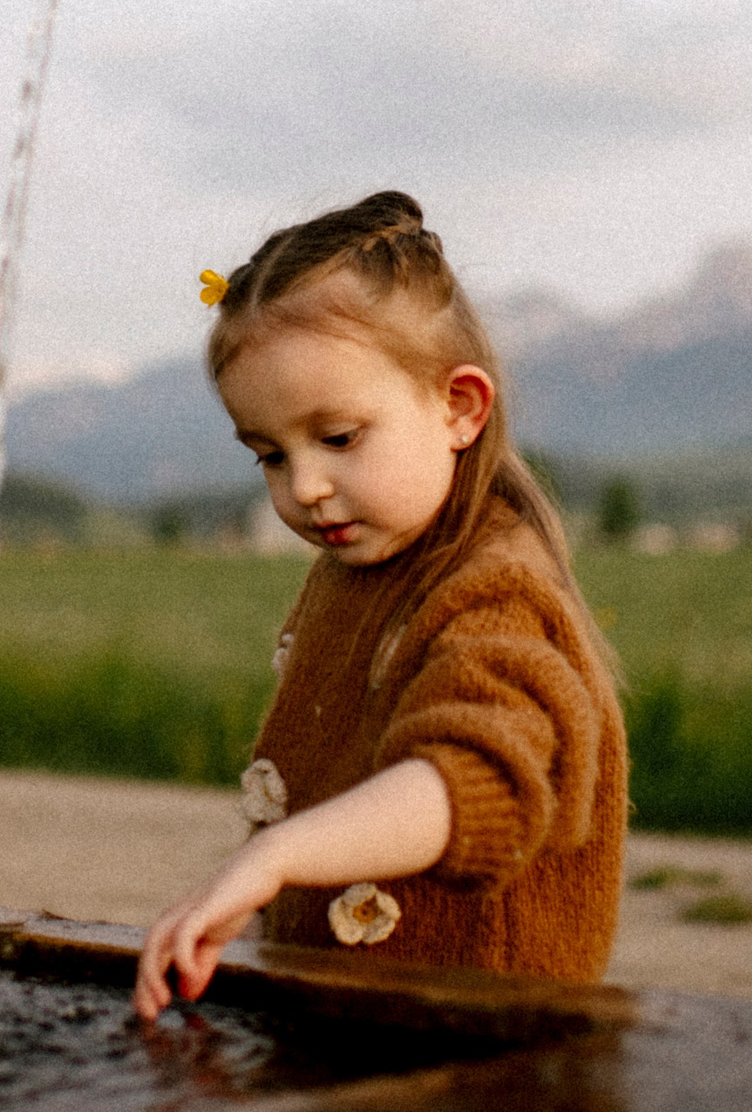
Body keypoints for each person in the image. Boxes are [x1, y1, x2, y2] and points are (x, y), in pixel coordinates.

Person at [133, 190, 628, 1021]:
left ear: (459, 408)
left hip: (478, 1051)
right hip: (365, 1025)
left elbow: (470, 784)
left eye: (337, 438)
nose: (304, 486)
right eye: (269, 454)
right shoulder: (361, 559)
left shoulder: (495, 586)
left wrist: (277, 857)